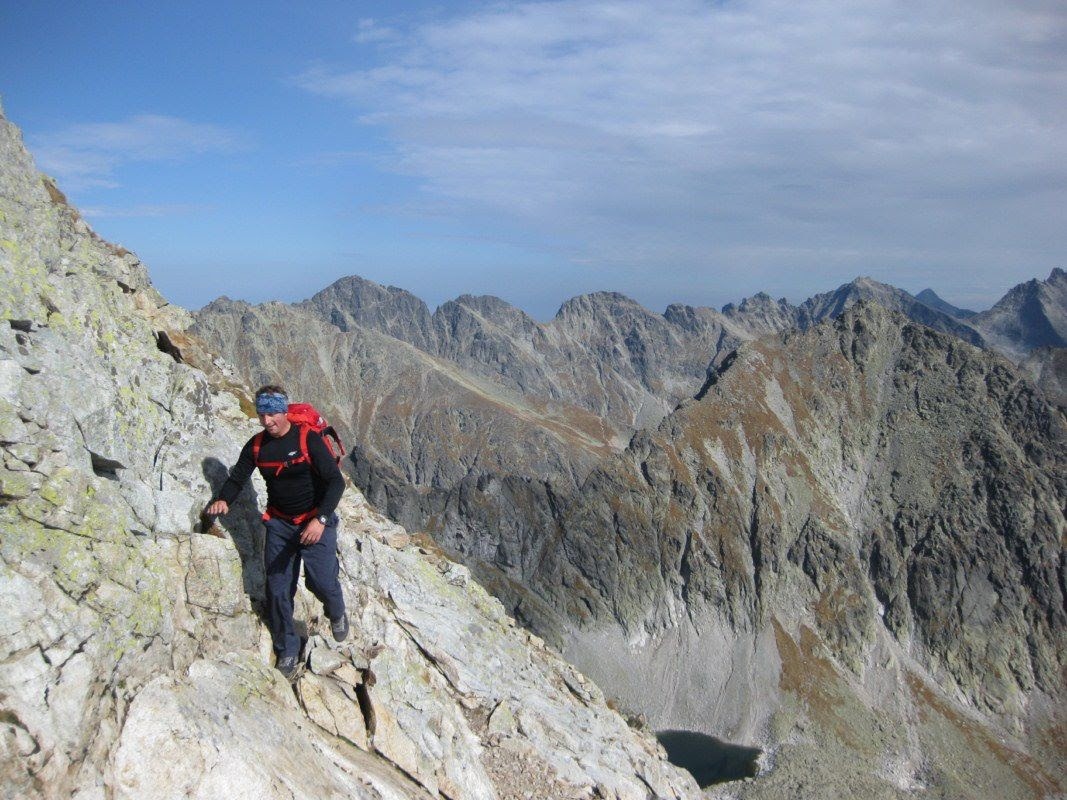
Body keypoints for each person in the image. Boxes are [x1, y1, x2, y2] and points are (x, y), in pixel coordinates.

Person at [206, 385, 349, 680]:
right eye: (261, 414)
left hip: (314, 521)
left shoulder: (307, 439)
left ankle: (336, 610)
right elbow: (237, 478)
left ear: (284, 412)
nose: (266, 420)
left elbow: (336, 482)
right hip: (280, 525)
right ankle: (287, 647)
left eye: (272, 413)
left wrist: (320, 519)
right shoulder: (257, 446)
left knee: (320, 582)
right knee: (277, 589)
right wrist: (223, 499)